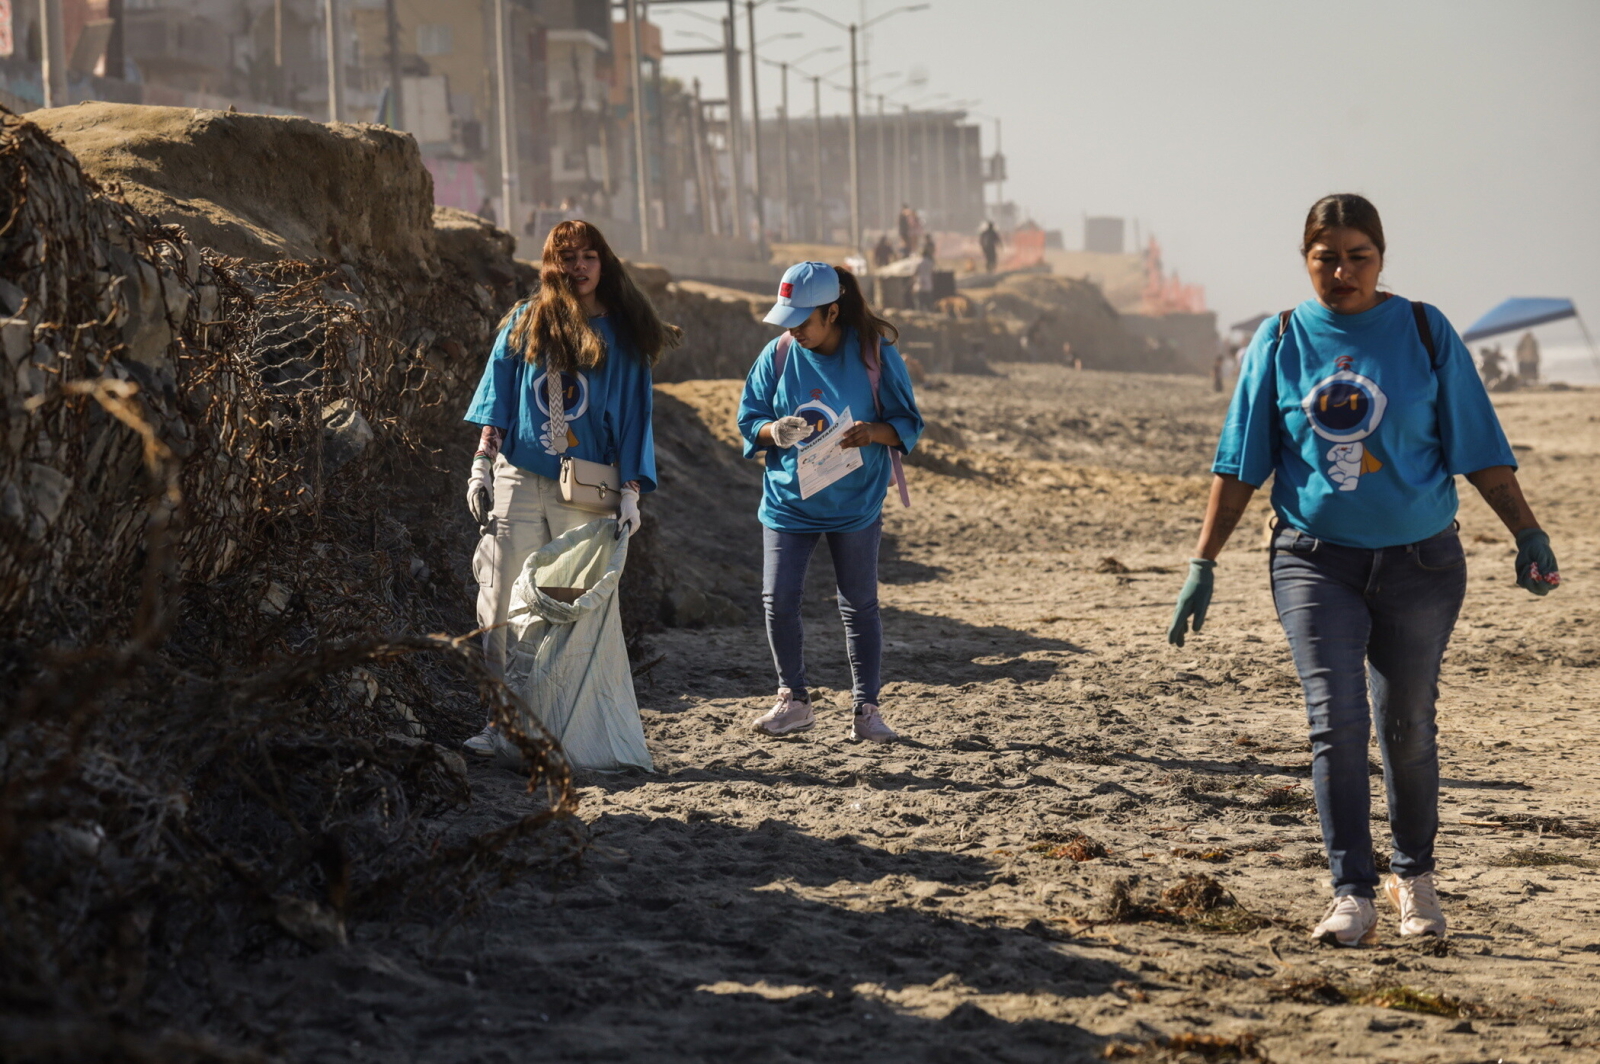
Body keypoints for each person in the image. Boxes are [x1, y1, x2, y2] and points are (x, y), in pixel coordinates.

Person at [1166, 193, 1561, 948]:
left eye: (1358, 257)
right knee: (1336, 725)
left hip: (1423, 563)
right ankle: (1352, 891)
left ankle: (1413, 878)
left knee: (1406, 725)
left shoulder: (1423, 329)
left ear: (1382, 259)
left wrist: (1527, 531)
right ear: (1305, 259)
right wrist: (1202, 562)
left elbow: (1477, 443)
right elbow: (1240, 463)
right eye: (1326, 258)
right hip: (1315, 563)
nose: (1342, 271)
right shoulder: (1280, 340)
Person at [460, 220, 681, 756]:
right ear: (549, 264)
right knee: (497, 601)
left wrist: (631, 491)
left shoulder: (622, 338)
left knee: (565, 606)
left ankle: (553, 726)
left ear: (603, 263)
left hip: (583, 488)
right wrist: (482, 463)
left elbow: (633, 418)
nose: (577, 267)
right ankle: (501, 726)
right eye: (566, 257)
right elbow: (499, 401)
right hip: (517, 477)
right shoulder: (524, 321)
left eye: (587, 256)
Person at [738, 262, 924, 744]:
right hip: (788, 502)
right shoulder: (777, 354)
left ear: (833, 311)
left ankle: (867, 710)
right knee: (777, 601)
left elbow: (908, 422)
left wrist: (871, 433)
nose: (793, 330)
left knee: (860, 605)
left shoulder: (874, 354)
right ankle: (793, 700)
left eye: (803, 320)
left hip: (855, 503)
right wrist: (771, 430)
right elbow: (748, 418)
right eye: (787, 320)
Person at [912, 244, 936, 312]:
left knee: (919, 303)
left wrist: (913, 283)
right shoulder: (930, 262)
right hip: (928, 285)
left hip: (919, 285)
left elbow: (914, 273)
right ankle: (930, 313)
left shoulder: (918, 262)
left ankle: (920, 314)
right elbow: (932, 273)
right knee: (928, 302)